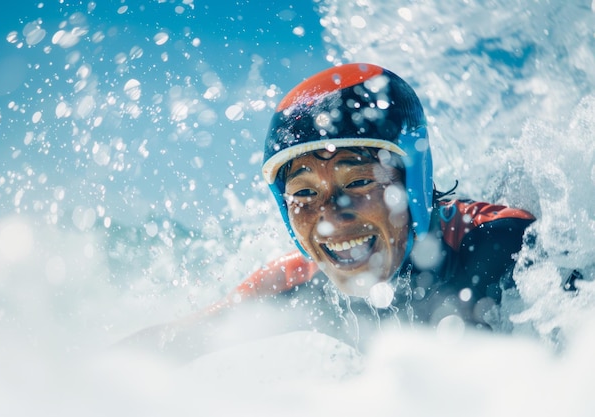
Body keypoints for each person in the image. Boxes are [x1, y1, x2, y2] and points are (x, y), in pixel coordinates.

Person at [121, 63, 540, 357]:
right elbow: (168, 344)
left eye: (357, 182)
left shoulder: (506, 247)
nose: (328, 217)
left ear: (410, 186)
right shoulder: (299, 285)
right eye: (303, 195)